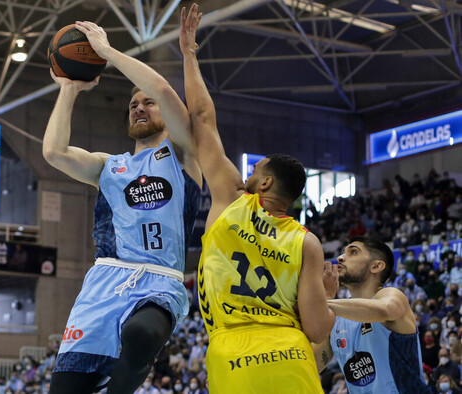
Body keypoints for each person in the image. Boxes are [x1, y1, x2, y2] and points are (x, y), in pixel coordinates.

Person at [180, 4, 333, 393]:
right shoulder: (307, 242)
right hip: (291, 357)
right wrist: (326, 297)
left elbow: (201, 118)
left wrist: (188, 54)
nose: (247, 175)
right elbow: (316, 329)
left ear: (264, 184)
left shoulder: (233, 199)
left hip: (234, 355)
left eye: (255, 170)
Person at [43, 18, 201, 394]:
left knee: (142, 331)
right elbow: (53, 152)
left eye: (146, 102)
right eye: (132, 104)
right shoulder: (108, 165)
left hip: (160, 280)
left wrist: (107, 52)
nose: (139, 107)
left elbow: (162, 88)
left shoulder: (182, 153)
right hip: (104, 284)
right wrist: (68, 88)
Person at [313, 237, 431, 393]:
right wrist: (325, 297)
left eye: (353, 252)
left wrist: (322, 303)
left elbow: (384, 309)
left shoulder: (392, 295)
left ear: (375, 266)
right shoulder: (337, 317)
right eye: (342, 253)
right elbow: (310, 365)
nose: (340, 258)